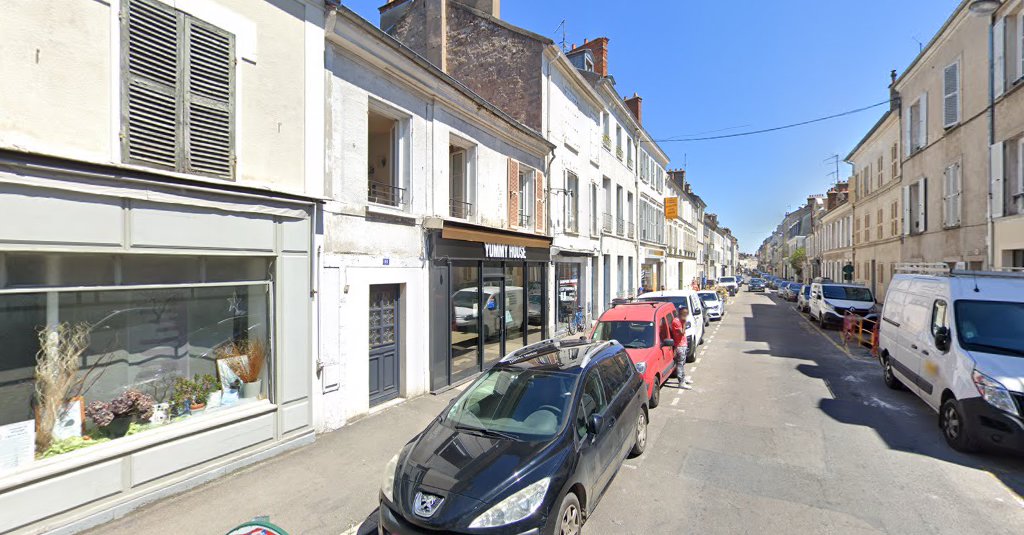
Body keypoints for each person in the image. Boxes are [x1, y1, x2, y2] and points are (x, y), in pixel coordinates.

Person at [671, 309, 692, 389]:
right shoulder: (676, 322)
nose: (686, 316)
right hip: (679, 346)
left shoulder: (680, 320)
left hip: (683, 345)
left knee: (682, 363)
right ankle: (681, 382)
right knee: (680, 364)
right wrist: (684, 323)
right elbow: (682, 332)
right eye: (685, 314)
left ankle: (684, 378)